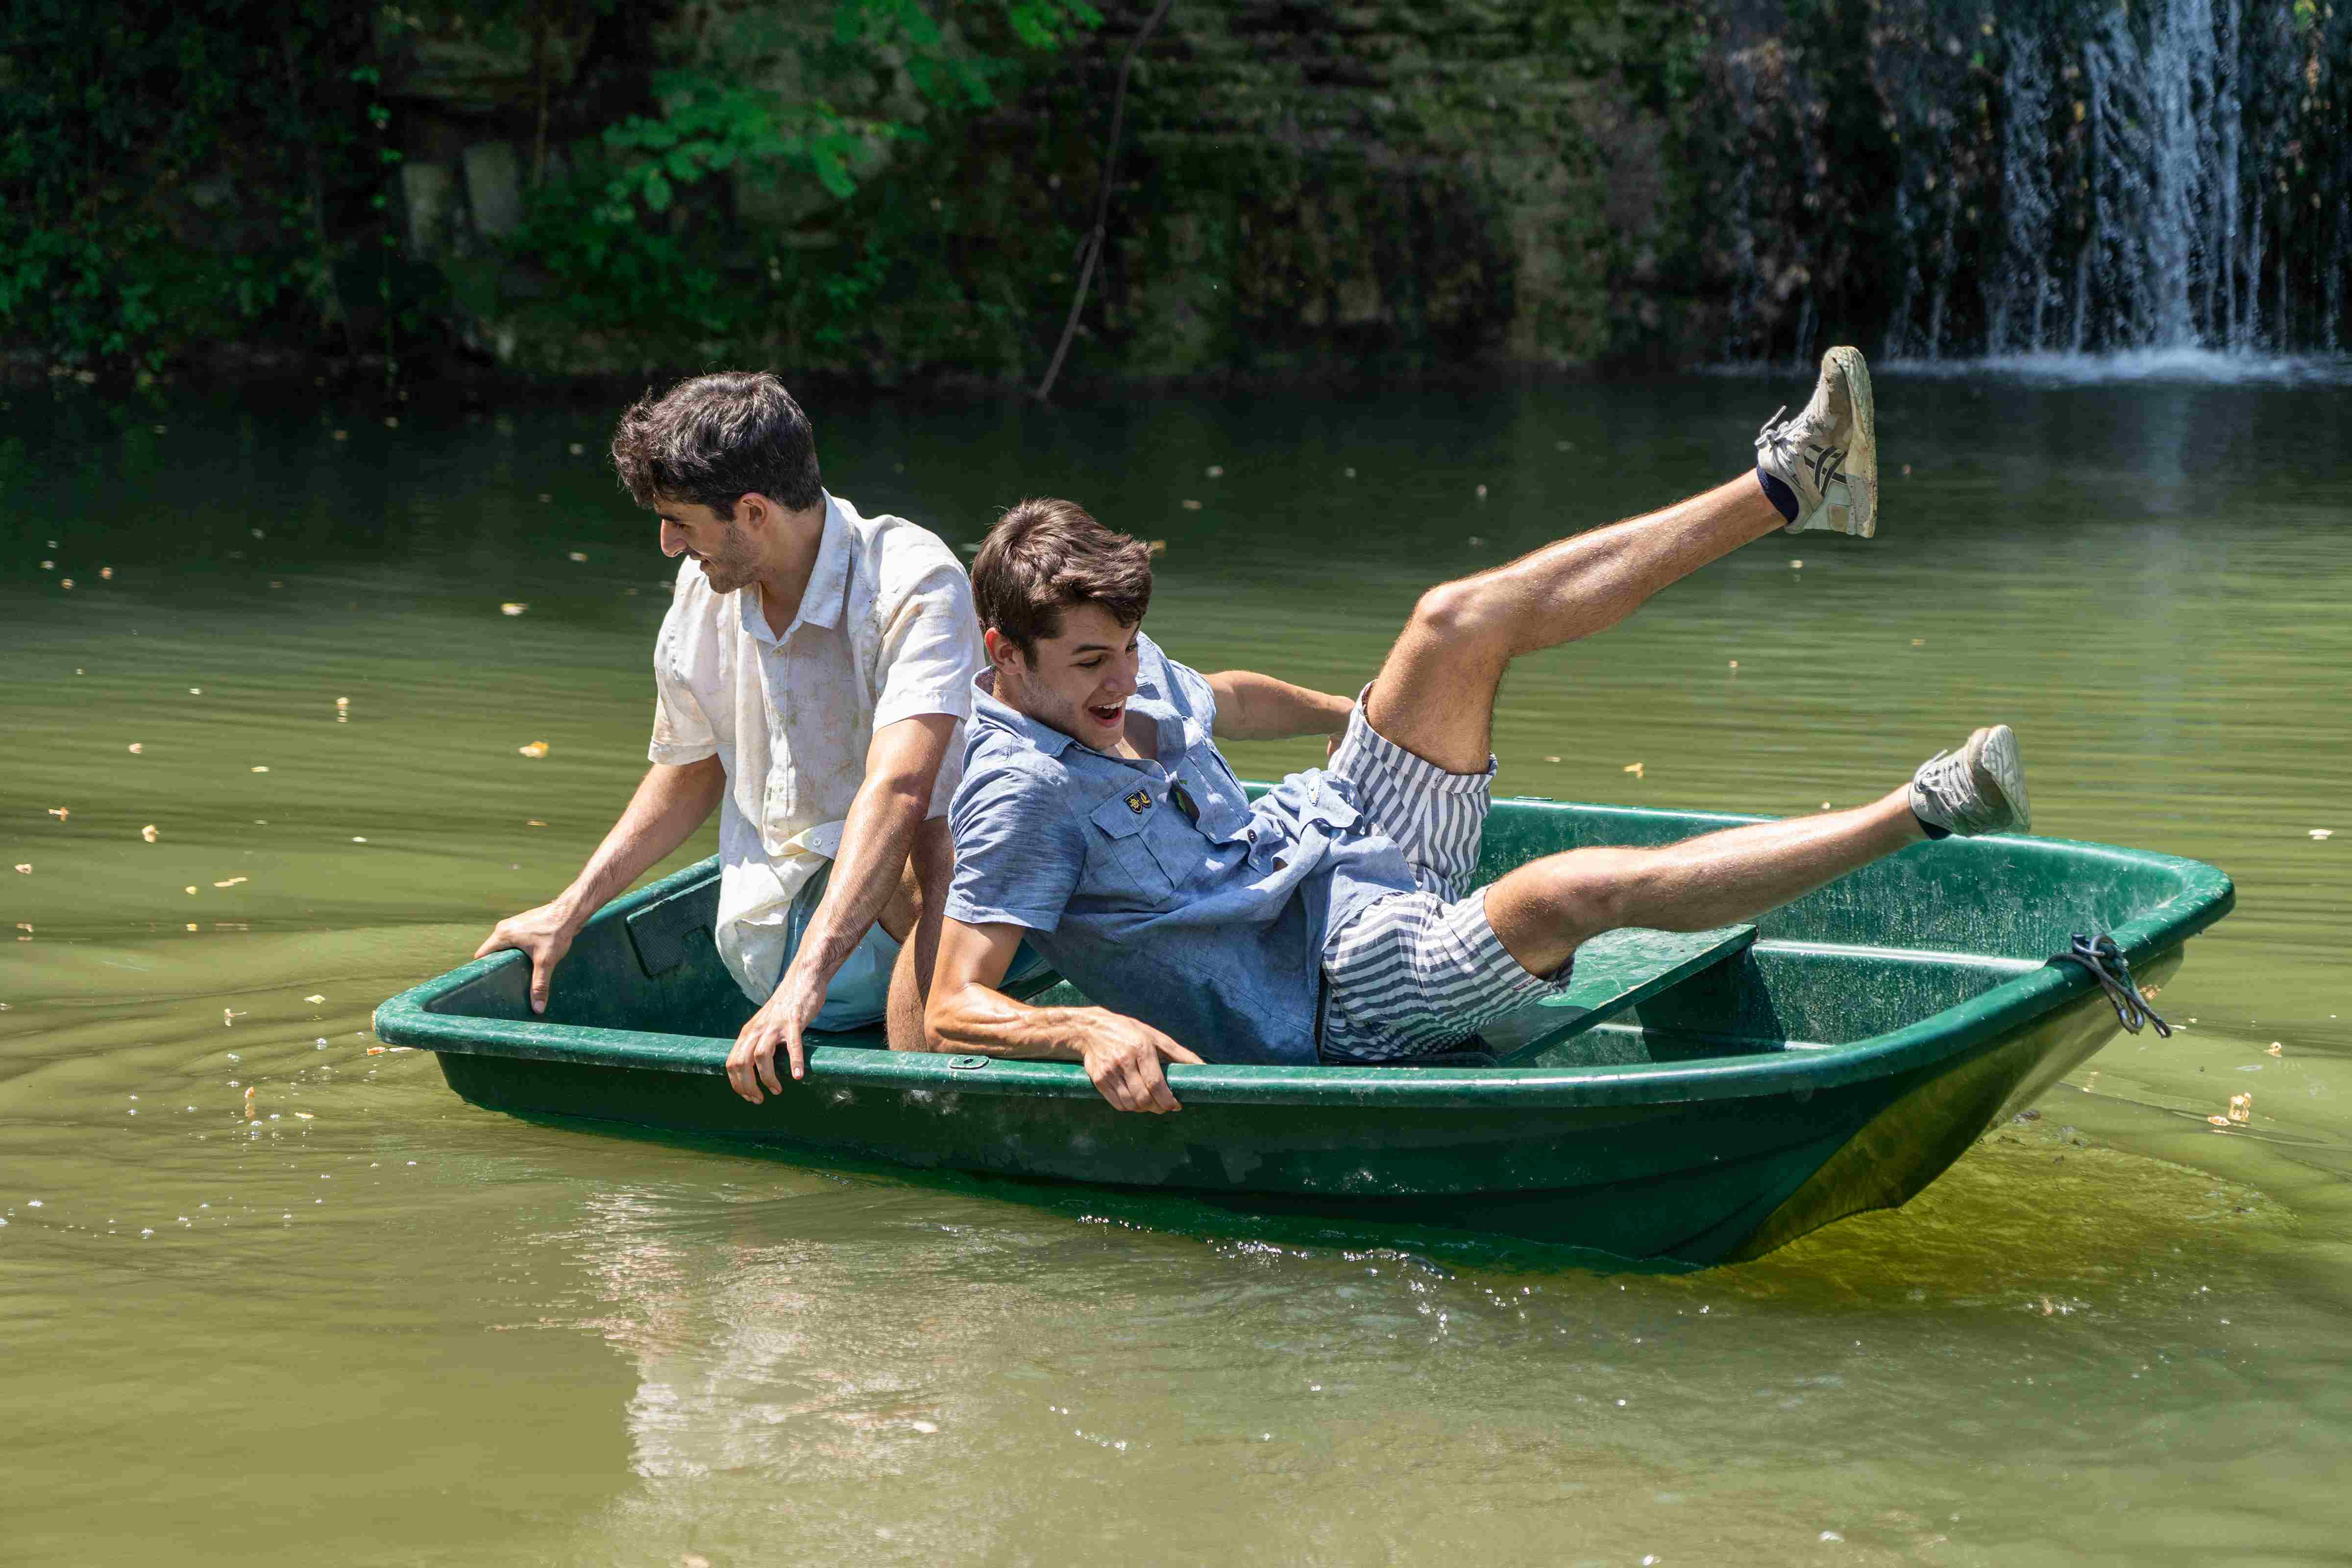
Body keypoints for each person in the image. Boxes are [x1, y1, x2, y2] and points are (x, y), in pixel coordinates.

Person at [926, 348, 2032, 1112]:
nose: (1122, 679)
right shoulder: (1020, 792)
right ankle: (1926, 808)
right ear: (1002, 654)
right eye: (1089, 664)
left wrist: (1356, 724)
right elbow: (953, 1001)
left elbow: (1218, 692)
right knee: (1563, 895)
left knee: (1454, 621)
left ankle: (1792, 485)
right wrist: (1079, 1032)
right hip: (1330, 997)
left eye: (1128, 649)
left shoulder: (1110, 659)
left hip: (1333, 844)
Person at [475, 371, 985, 1102]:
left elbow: (900, 788)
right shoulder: (704, 587)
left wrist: (803, 987)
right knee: (940, 828)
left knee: (941, 816)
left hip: (861, 945)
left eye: (679, 521)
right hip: (774, 942)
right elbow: (689, 767)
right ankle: (924, 1082)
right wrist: (570, 908)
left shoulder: (912, 582)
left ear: (753, 512)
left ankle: (923, 1074)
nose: (665, 543)